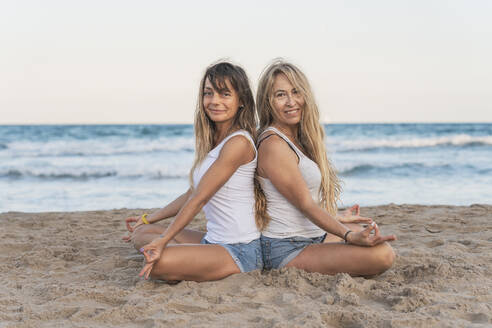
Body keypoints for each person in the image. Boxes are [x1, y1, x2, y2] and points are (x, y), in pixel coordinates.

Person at [254, 59, 396, 276]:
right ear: (267, 102)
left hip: (312, 236)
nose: (291, 101)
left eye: (296, 92)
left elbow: (299, 200)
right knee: (383, 255)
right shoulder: (274, 144)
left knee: (368, 233)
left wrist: (336, 216)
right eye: (280, 95)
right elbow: (304, 204)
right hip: (286, 248)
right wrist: (347, 235)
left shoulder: (298, 138)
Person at [123, 61, 262, 282]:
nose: (215, 101)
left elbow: (199, 198)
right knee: (141, 235)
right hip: (212, 240)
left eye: (225, 94)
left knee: (158, 263)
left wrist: (165, 239)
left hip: (240, 250)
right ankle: (191, 258)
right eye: (209, 93)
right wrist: (148, 219)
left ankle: (192, 261)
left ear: (241, 101)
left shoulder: (238, 143)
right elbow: (192, 192)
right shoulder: (215, 141)